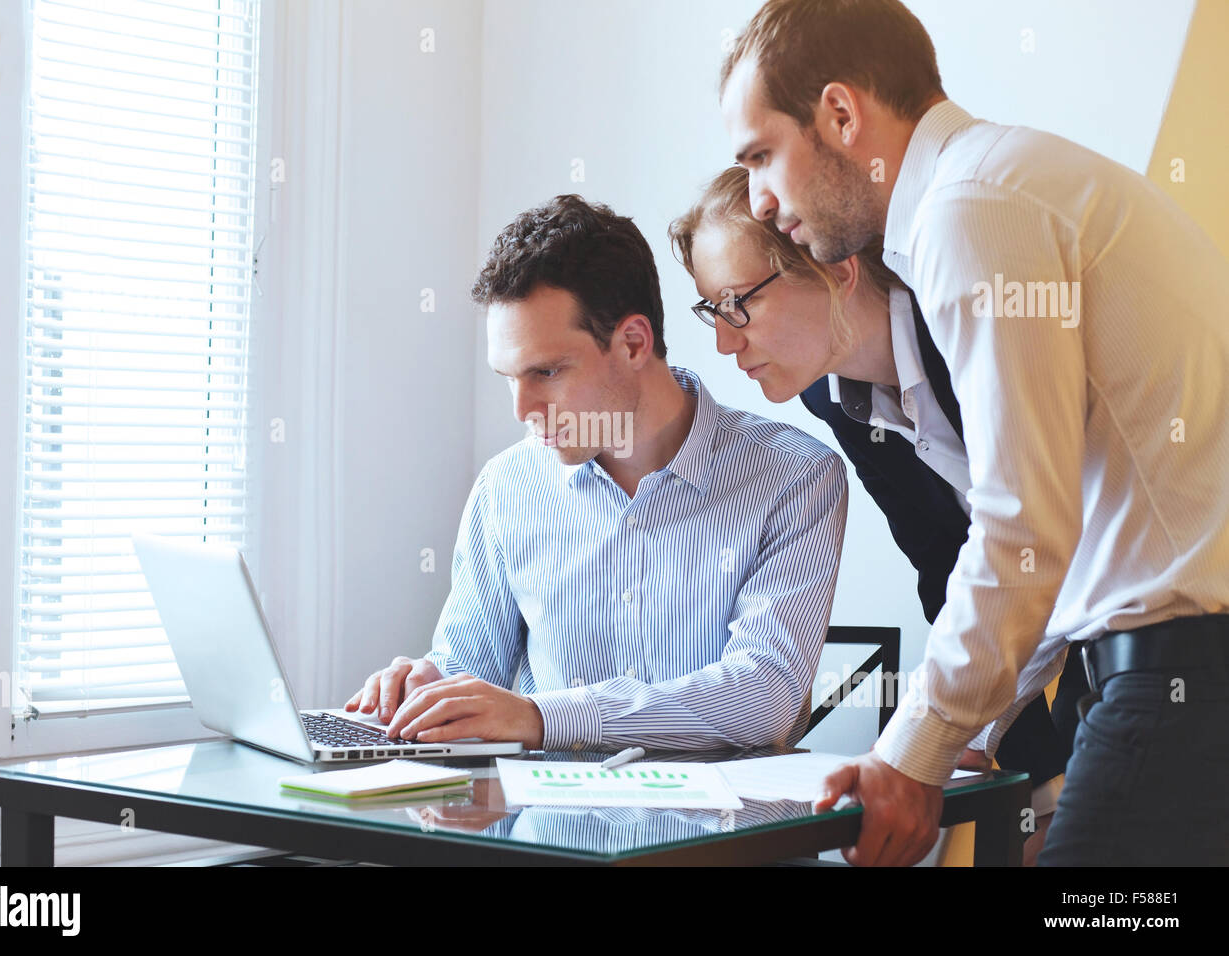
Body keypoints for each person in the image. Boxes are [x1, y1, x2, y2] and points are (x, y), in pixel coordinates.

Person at [718, 0, 1229, 865]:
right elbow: (1059, 548)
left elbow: (1024, 529)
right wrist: (949, 739)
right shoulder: (1004, 181)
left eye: (763, 155)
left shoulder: (970, 210)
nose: (762, 203)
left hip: (1183, 676)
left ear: (841, 115)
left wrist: (913, 753)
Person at [668, 165, 1084, 864]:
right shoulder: (833, 395)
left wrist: (948, 748)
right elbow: (947, 570)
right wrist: (1021, 772)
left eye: (737, 303)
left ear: (837, 267)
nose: (724, 342)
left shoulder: (966, 323)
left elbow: (1036, 547)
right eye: (711, 310)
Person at [343, 193, 849, 755]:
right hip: (544, 836)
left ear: (633, 342)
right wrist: (424, 687)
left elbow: (764, 698)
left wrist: (542, 718)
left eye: (547, 372)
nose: (522, 410)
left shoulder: (794, 477)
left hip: (719, 838)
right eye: (508, 377)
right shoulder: (507, 488)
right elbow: (468, 666)